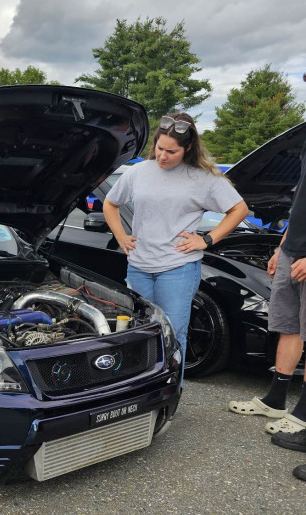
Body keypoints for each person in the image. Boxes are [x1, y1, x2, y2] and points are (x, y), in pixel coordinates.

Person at [103, 113, 249, 383]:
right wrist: (122, 236)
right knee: (139, 331)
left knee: (172, 333)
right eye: (160, 147)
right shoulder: (138, 172)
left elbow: (239, 209)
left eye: (172, 151)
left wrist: (207, 239)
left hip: (178, 268)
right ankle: (139, 391)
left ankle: (170, 392)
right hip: (139, 266)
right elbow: (110, 204)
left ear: (188, 148)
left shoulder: (203, 178)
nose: (163, 156)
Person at [228, 124, 306, 484]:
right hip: (293, 250)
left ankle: (303, 416)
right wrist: (282, 245)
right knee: (288, 326)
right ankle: (276, 399)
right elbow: (300, 203)